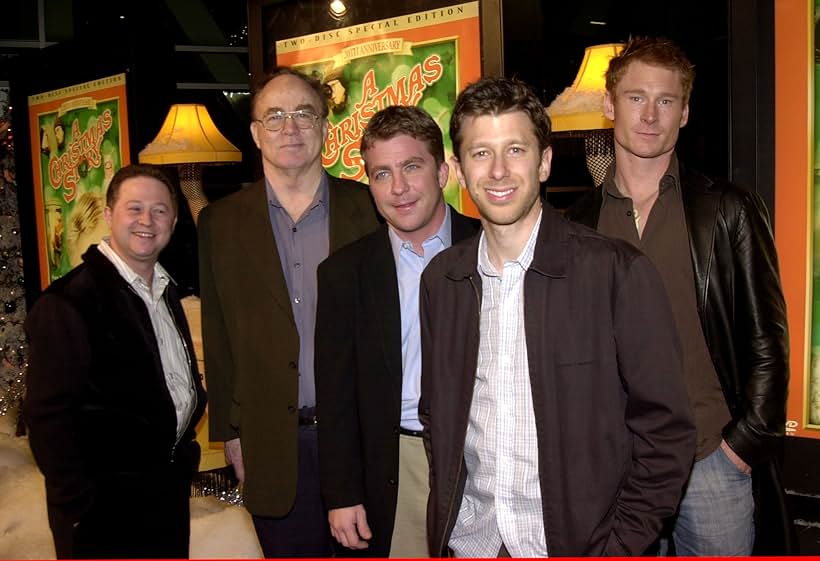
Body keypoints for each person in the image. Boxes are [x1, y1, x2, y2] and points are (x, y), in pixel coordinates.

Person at [419, 76, 696, 557]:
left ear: (544, 161)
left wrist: (618, 547)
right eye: (481, 153)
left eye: (516, 150)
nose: (499, 171)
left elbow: (666, 433)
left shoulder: (616, 273)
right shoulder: (442, 281)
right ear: (459, 171)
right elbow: (437, 415)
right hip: (474, 543)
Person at [567, 36, 795, 556]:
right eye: (635, 97)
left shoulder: (727, 209)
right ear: (609, 105)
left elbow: (768, 339)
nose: (650, 114)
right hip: (615, 471)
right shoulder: (578, 222)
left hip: (711, 462)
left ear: (685, 112)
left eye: (666, 100)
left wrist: (742, 446)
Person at [198, 67, 379, 557]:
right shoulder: (220, 223)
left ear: (324, 127)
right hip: (272, 443)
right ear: (255, 133)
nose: (290, 127)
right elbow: (218, 334)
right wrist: (229, 435)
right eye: (273, 117)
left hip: (361, 438)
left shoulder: (370, 210)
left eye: (304, 113)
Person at [315, 105, 480, 557]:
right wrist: (342, 494)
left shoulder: (490, 249)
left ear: (443, 171)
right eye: (382, 174)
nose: (399, 187)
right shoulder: (343, 274)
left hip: (485, 459)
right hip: (398, 462)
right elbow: (336, 396)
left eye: (411, 166)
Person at [24, 163, 207, 559]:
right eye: (134, 208)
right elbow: (47, 417)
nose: (147, 220)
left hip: (164, 499)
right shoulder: (68, 302)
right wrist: (78, 508)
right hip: (102, 515)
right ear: (109, 215)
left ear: (173, 222)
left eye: (159, 210)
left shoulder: (164, 290)